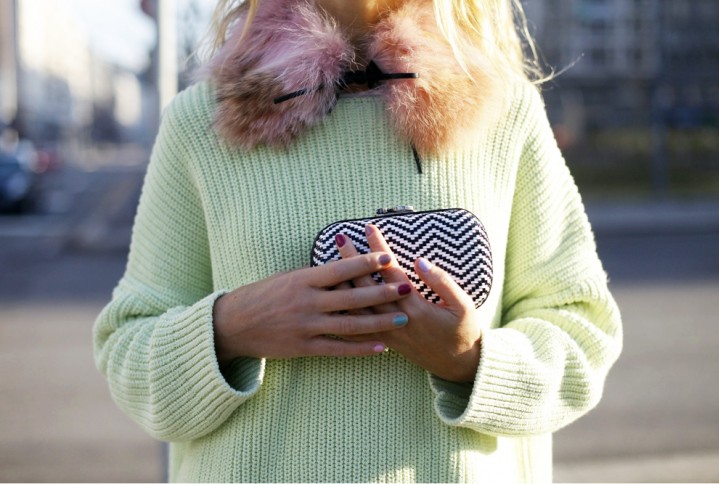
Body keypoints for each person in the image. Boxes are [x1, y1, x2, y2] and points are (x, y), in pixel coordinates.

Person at [93, 0, 623, 481]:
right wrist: (231, 327)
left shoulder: (501, 110)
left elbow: (584, 335)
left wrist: (471, 360)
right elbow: (128, 353)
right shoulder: (202, 121)